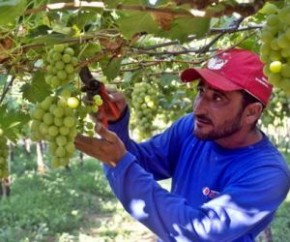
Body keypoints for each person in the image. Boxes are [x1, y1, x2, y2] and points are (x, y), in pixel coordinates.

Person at [74, 48, 290, 242]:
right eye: (201, 92)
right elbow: (144, 162)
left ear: (251, 112)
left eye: (218, 98)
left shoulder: (268, 174)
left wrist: (120, 163)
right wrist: (116, 123)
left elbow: (199, 231)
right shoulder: (192, 128)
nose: (198, 108)